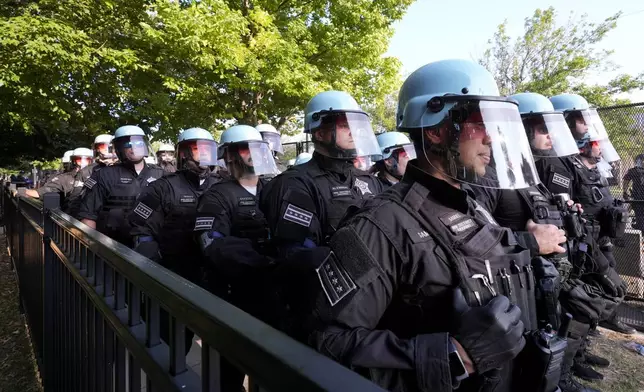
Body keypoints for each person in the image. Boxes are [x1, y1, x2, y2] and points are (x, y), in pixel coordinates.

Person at [291, 60, 555, 392]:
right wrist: (453, 357)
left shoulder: (472, 203)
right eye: (478, 122)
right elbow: (327, 342)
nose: (491, 136)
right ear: (436, 130)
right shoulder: (381, 224)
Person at [474, 92, 602, 392]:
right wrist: (527, 241)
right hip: (515, 275)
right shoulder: (488, 176)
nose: (549, 136)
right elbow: (478, 236)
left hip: (546, 272)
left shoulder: (525, 172)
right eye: (540, 128)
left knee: (555, 327)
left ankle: (559, 379)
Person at [194, 125, 279, 392]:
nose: (252, 154)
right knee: (228, 370)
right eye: (245, 148)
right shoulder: (217, 195)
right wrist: (263, 263)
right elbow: (212, 242)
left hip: (274, 294)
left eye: (256, 147)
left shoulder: (276, 188)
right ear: (229, 155)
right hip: (235, 295)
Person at [544, 93, 634, 336]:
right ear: (566, 121)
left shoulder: (578, 161)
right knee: (582, 290)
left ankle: (592, 329)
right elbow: (563, 208)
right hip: (580, 240)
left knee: (601, 284)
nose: (587, 125)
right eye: (581, 119)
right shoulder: (558, 162)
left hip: (597, 237)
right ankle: (579, 340)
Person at [128, 127, 220, 355]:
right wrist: (155, 269)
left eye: (208, 150)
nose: (204, 156)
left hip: (213, 277)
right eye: (198, 150)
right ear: (184, 153)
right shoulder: (163, 187)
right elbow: (139, 226)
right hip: (174, 275)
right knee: (172, 343)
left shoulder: (221, 186)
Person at [259, 91, 385, 254]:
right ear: (319, 133)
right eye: (344, 125)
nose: (353, 132)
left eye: (354, 125)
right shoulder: (295, 183)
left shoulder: (370, 181)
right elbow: (302, 257)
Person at [78, 125, 165, 246]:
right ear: (119, 149)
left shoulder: (161, 175)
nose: (134, 148)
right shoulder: (104, 175)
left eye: (138, 144)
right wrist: (93, 248)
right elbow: (88, 216)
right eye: (128, 145)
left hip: (154, 246)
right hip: (113, 246)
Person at [25, 148, 93, 212]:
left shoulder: (98, 175)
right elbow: (43, 191)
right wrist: (22, 191)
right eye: (79, 159)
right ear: (73, 161)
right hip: (74, 217)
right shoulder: (64, 178)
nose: (82, 162)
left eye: (86, 159)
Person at [623, 154, 644, 230]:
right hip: (637, 196)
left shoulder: (633, 171)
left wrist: (625, 191)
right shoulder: (633, 170)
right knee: (637, 212)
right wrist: (625, 192)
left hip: (637, 196)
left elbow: (626, 181)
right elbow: (626, 180)